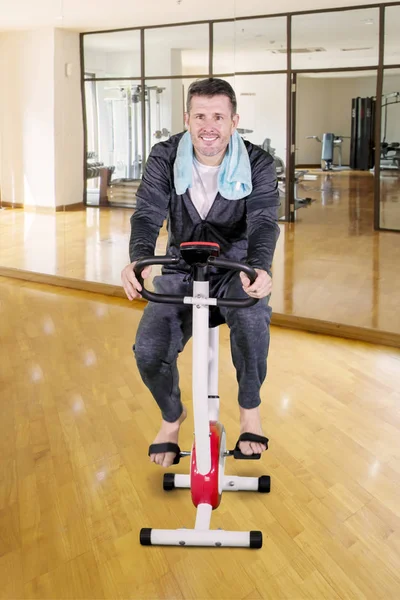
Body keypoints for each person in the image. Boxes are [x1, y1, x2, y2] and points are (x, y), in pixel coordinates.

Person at [121, 78, 280, 468]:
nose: (209, 126)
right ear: (187, 118)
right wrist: (139, 259)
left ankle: (249, 411)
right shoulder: (164, 155)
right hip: (181, 265)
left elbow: (263, 221)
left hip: (235, 266)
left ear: (234, 120)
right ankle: (171, 417)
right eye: (200, 116)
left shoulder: (258, 163)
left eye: (219, 116)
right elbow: (147, 213)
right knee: (149, 349)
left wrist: (258, 267)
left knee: (252, 318)